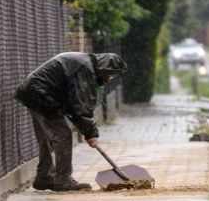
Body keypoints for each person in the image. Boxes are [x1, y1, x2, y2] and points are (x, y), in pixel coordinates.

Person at [15, 52, 127, 191]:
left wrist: (86, 130)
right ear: (105, 67)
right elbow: (81, 106)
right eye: (110, 74)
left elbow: (73, 103)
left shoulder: (85, 63)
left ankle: (44, 177)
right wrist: (90, 133)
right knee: (63, 135)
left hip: (32, 92)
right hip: (42, 95)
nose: (109, 78)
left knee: (46, 137)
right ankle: (63, 180)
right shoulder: (85, 68)